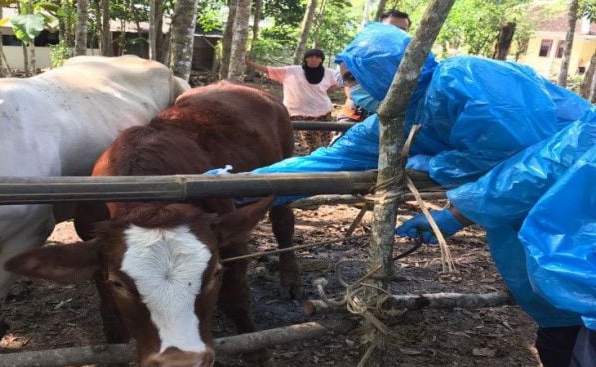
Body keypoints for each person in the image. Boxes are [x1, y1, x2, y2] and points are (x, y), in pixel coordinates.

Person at [252, 22, 596, 366]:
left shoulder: (466, 80)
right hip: (518, 217)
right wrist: (234, 185)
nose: (346, 89)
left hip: (578, 201)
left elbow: (526, 163)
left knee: (579, 295)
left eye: (352, 79)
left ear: (383, 71)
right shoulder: (393, 121)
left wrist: (448, 193)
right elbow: (327, 162)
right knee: (556, 314)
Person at [246, 49, 339, 153]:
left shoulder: (329, 73)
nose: (314, 59)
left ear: (321, 60)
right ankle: (312, 164)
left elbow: (342, 80)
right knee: (310, 144)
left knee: (324, 141)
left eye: (317, 57)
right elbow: (269, 70)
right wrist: (249, 63)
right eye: (311, 57)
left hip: (323, 111)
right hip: (298, 112)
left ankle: (322, 163)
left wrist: (333, 87)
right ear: (306, 59)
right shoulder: (292, 71)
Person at [335, 9, 410, 126]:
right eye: (391, 27)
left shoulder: (409, 55)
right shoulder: (358, 49)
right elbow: (344, 82)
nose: (395, 32)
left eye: (402, 30)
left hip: (391, 120)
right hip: (354, 115)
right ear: (380, 27)